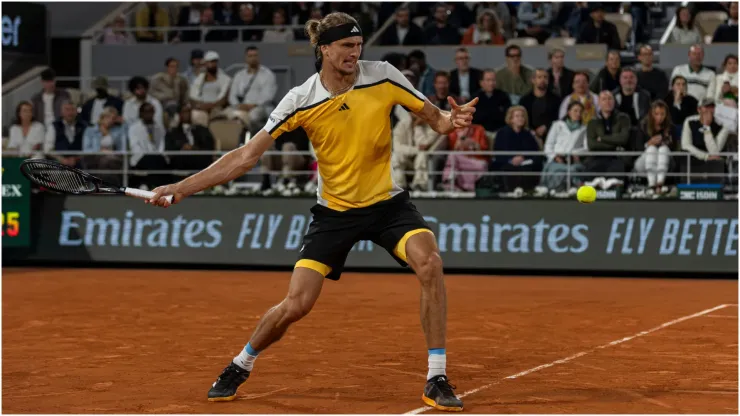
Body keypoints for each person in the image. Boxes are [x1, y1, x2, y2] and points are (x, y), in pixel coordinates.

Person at [146, 12, 477, 411]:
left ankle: (436, 377)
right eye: (346, 47)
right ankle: (241, 362)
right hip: (334, 212)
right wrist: (182, 187)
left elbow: (435, 120)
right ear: (324, 49)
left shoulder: (384, 75)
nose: (355, 54)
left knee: (430, 263)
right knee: (296, 305)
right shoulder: (301, 99)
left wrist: (450, 120)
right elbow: (245, 157)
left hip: (388, 204)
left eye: (358, 46)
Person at [489, 106, 544, 192]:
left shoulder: (528, 134)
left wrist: (523, 158)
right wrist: (512, 159)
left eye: (522, 116)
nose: (521, 119)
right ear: (511, 119)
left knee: (533, 167)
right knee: (507, 169)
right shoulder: (502, 133)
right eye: (517, 116)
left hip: (525, 163)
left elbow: (535, 152)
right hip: (507, 163)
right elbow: (498, 152)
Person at [539, 101, 588, 192]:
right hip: (556, 159)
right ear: (569, 112)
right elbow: (548, 145)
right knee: (558, 170)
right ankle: (555, 190)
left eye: (580, 111)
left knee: (574, 169)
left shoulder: (584, 129)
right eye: (575, 111)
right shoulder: (557, 125)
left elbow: (586, 148)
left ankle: (572, 190)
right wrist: (555, 157)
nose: (578, 114)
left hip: (572, 160)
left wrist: (575, 153)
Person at [632, 100, 676, 193]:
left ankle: (660, 182)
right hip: (643, 164)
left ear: (666, 115)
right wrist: (649, 143)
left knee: (663, 149)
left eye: (662, 114)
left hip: (666, 163)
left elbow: (674, 149)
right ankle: (652, 184)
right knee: (651, 149)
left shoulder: (671, 127)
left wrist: (666, 142)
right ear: (651, 114)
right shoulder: (643, 125)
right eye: (656, 114)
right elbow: (637, 148)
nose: (659, 117)